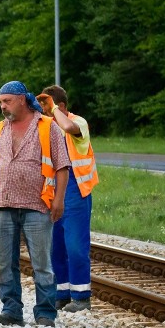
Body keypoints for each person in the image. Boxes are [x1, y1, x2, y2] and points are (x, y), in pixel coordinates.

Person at [0, 81, 71, 328]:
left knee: (41, 264)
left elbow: (62, 167)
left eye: (6, 101)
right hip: (3, 205)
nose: (2, 106)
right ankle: (11, 310)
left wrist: (58, 200)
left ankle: (46, 313)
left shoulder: (48, 127)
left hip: (38, 205)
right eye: (0, 102)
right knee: (5, 263)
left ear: (22, 99)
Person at [37, 85, 98, 313]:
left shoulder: (77, 122)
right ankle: (61, 294)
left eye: (49, 106)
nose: (45, 111)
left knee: (75, 246)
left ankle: (81, 297)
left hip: (77, 191)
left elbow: (67, 126)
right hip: (54, 191)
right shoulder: (47, 127)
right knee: (56, 247)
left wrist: (54, 110)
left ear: (61, 106)